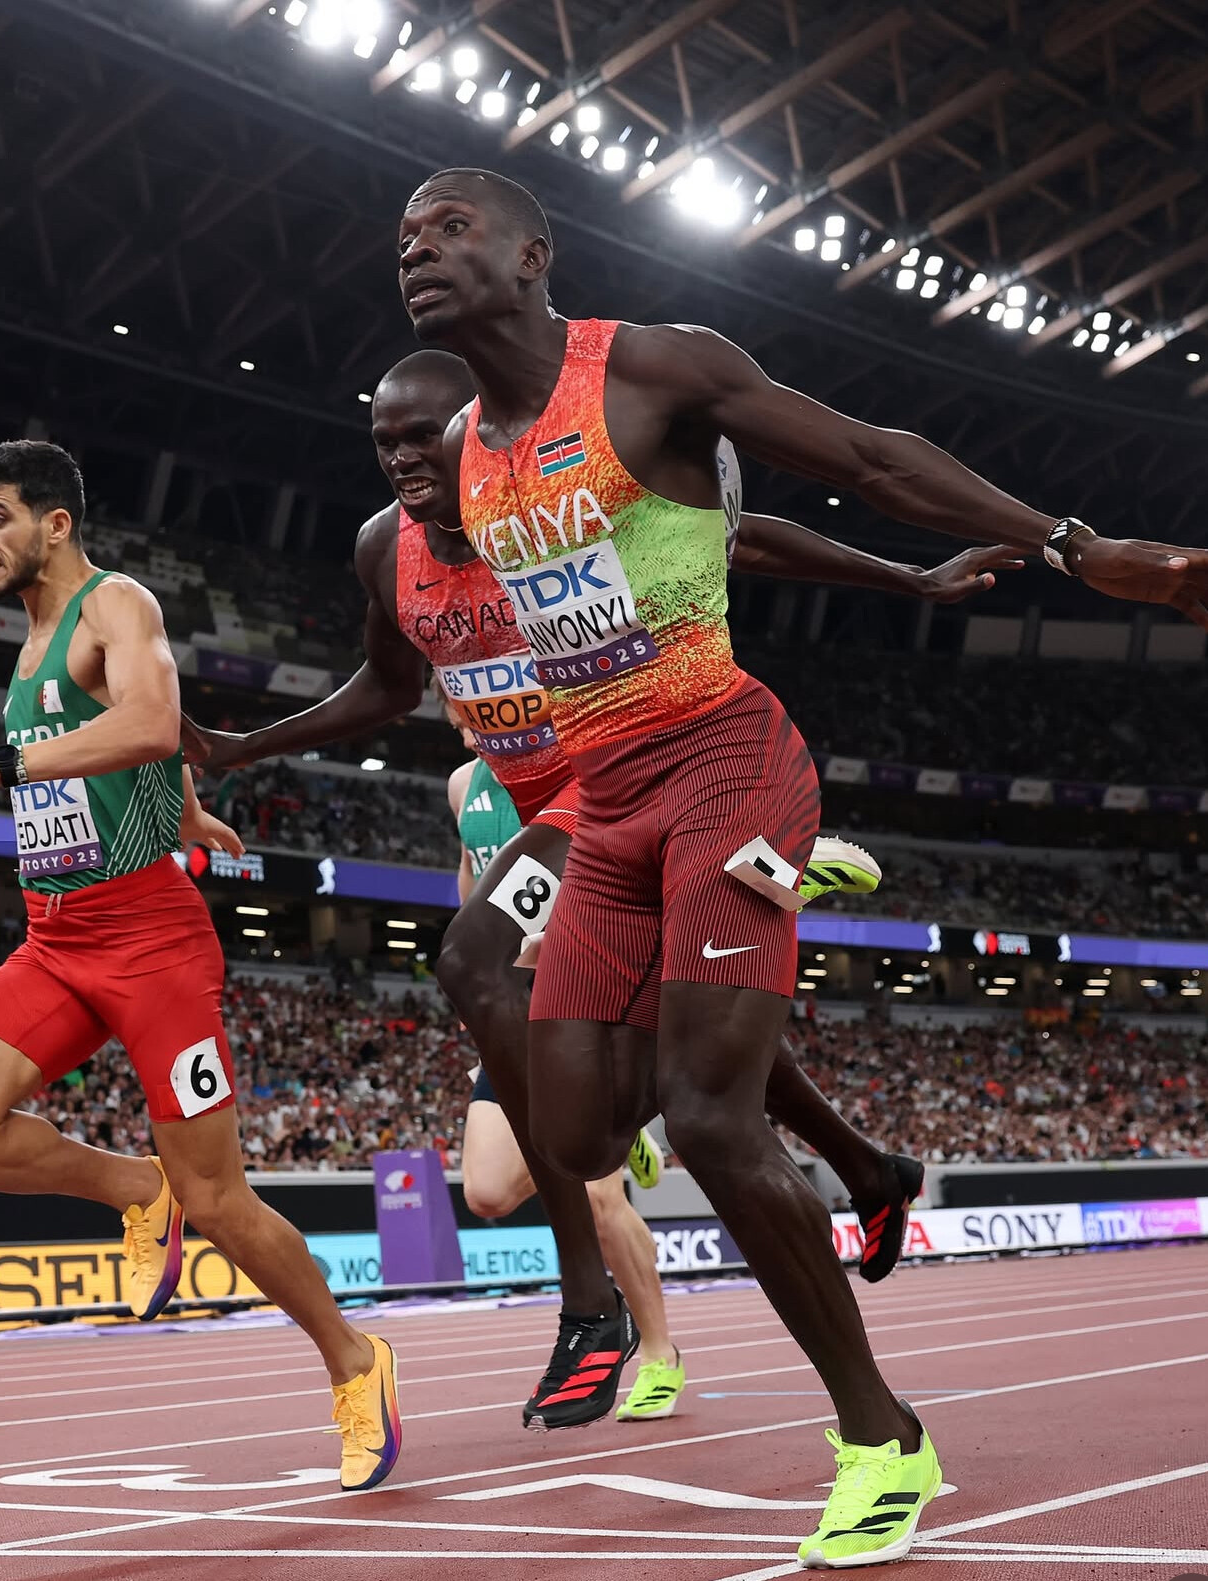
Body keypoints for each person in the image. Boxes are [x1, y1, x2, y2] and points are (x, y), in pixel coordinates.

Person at [397, 166, 1208, 1566]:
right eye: (404, 237)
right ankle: (800, 971)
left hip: (725, 759)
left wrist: (1070, 548)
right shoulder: (468, 452)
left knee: (708, 1121)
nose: (416, 249)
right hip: (607, 806)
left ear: (533, 253)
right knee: (576, 1139)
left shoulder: (650, 369)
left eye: (449, 227)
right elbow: (720, 539)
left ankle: (881, 1439)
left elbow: (872, 458)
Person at [183, 349, 1015, 1434]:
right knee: (677, 1044)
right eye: (384, 440)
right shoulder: (384, 549)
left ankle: (589, 1303)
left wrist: (905, 579)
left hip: (614, 779)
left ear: (472, 433)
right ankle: (865, 1166)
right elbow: (386, 686)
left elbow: (737, 536)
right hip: (539, 805)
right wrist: (243, 746)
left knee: (471, 957)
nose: (404, 458)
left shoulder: (539, 504)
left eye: (424, 436)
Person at [0, 441, 399, 1495]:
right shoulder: (32, 640)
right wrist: (181, 808)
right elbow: (131, 744)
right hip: (55, 940)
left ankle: (355, 1361)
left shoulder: (114, 604)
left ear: (56, 524)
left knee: (219, 1200)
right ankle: (135, 1188)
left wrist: (11, 763)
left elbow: (150, 717)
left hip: (151, 948)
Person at [449, 713, 684, 1421]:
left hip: (581, 995)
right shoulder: (463, 785)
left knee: (599, 1200)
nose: (468, 730)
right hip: (509, 1007)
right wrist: (479, 976)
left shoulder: (575, 763)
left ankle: (659, 1353)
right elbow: (472, 881)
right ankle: (621, 1127)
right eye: (455, 715)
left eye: (475, 711)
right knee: (487, 1191)